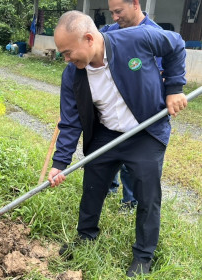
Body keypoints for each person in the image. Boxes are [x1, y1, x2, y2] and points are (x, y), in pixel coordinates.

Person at [48, 11, 187, 277]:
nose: (65, 59)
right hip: (106, 134)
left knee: (147, 193)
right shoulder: (73, 75)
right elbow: (70, 121)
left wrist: (175, 88)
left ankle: (143, 256)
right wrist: (59, 163)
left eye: (67, 52)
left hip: (145, 131)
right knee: (92, 186)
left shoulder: (136, 39)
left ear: (89, 39)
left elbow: (177, 44)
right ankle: (86, 237)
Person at [101, 0, 164, 207]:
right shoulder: (109, 32)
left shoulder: (155, 34)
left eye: (118, 11)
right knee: (107, 151)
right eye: (112, 13)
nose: (115, 18)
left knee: (132, 160)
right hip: (112, 110)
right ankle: (109, 187)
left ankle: (130, 201)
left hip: (141, 113)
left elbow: (163, 76)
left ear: (135, 4)